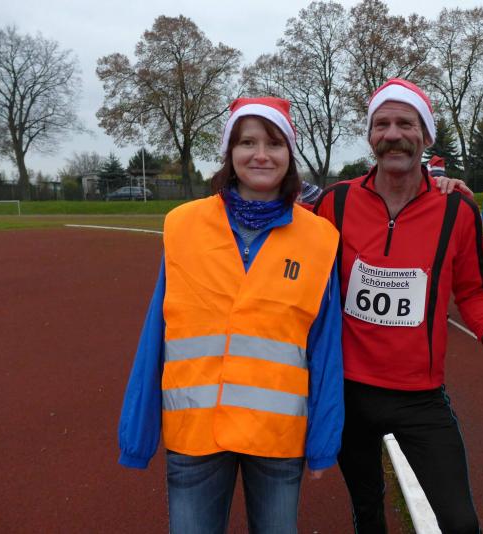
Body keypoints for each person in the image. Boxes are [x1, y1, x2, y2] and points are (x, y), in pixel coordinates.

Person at [117, 96, 344, 534]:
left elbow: (325, 347)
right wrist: (137, 435)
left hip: (277, 436)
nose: (261, 154)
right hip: (195, 432)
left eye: (274, 143)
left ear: (289, 153)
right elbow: (156, 333)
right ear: (230, 152)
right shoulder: (183, 225)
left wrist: (323, 441)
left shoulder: (320, 239)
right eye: (247, 142)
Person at [313, 78, 483, 534]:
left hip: (419, 396)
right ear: (370, 136)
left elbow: (471, 292)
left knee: (460, 522)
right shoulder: (335, 202)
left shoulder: (457, 210)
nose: (393, 134)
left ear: (426, 136)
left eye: (406, 124)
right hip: (348, 391)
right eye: (382, 124)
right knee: (367, 511)